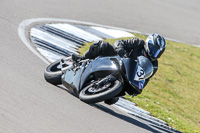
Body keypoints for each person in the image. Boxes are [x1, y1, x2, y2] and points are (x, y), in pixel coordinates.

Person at [72, 33, 166, 104]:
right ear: (148, 44)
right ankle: (82, 58)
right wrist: (122, 53)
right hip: (117, 59)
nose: (154, 54)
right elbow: (119, 43)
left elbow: (145, 78)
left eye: (158, 52)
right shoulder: (138, 43)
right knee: (101, 45)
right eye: (154, 50)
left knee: (111, 100)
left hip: (127, 77)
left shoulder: (154, 65)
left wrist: (138, 88)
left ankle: (101, 87)